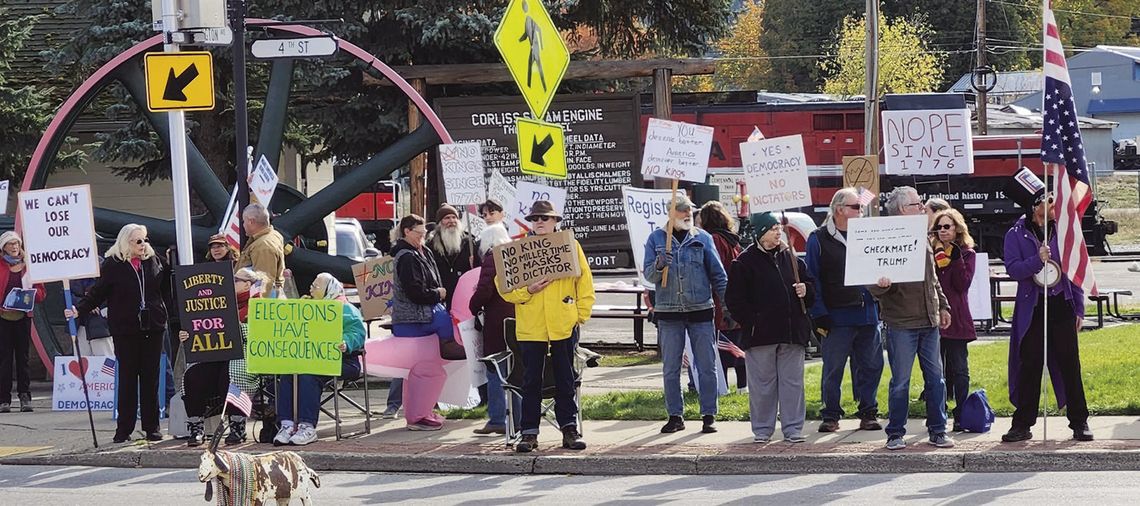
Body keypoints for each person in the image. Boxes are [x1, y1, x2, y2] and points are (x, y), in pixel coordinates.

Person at [1000, 169, 1093, 443]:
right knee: (1029, 363)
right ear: (1034, 207)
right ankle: (1022, 423)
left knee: (1069, 364)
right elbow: (1013, 270)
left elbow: (1073, 271)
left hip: (1060, 304)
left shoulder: (1063, 230)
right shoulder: (1015, 234)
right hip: (1032, 307)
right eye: (1047, 200)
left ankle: (1080, 421)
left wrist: (1078, 307)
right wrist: (1036, 261)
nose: (1053, 203)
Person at [500, 201, 594, 452]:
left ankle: (569, 429)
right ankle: (528, 432)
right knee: (531, 380)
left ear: (555, 221)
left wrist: (579, 315)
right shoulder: (518, 248)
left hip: (563, 325)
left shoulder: (570, 246)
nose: (539, 222)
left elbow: (585, 283)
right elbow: (504, 287)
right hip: (531, 327)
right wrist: (527, 290)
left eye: (545, 218)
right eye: (535, 218)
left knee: (566, 378)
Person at [66, 224, 170, 443]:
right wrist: (78, 309)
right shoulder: (114, 264)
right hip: (125, 327)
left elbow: (167, 289)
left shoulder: (155, 261)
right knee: (128, 378)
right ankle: (124, 428)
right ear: (126, 242)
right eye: (138, 241)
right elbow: (98, 292)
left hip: (153, 325)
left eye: (145, 240)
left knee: (151, 378)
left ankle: (152, 427)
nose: (144, 245)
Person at [870, 186, 954, 451]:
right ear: (902, 210)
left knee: (936, 379)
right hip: (902, 324)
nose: (922, 208)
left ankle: (938, 430)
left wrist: (943, 306)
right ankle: (895, 433)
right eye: (917, 204)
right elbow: (873, 283)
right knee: (901, 382)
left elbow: (933, 280)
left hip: (929, 321)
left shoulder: (924, 238)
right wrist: (881, 284)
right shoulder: (885, 237)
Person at [726, 213, 814, 444]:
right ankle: (763, 430)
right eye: (772, 228)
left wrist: (807, 290)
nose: (778, 232)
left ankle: (793, 428)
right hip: (760, 336)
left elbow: (812, 289)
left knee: (792, 383)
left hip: (791, 332)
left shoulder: (793, 259)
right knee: (763, 385)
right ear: (759, 233)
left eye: (778, 228)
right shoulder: (743, 263)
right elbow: (734, 301)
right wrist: (753, 322)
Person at [644, 195, 727, 435]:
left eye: (689, 210)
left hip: (700, 308)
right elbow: (649, 277)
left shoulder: (703, 238)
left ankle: (709, 414)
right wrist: (660, 265)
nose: (687, 214)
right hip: (669, 312)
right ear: (670, 212)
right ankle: (675, 415)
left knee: (706, 365)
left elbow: (718, 275)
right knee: (671, 367)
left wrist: (728, 305)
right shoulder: (657, 239)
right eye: (681, 210)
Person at [804, 188, 884, 433]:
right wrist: (819, 313)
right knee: (833, 368)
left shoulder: (869, 234)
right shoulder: (818, 238)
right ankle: (831, 415)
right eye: (855, 207)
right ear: (839, 209)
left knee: (871, 366)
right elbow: (812, 278)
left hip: (868, 313)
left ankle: (868, 412)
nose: (861, 211)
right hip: (836, 316)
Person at [390, 214, 465, 430]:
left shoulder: (422, 251)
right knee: (426, 369)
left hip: (427, 312)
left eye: (424, 233)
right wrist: (437, 294)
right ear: (407, 231)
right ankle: (451, 347)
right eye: (419, 233)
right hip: (416, 317)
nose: (423, 236)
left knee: (424, 370)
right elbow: (415, 291)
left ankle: (424, 410)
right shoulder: (406, 256)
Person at [272, 273, 365, 446]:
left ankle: (307, 426)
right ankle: (287, 425)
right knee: (287, 373)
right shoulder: (306, 306)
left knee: (308, 374)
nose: (311, 288)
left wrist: (346, 343)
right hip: (310, 359)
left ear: (329, 289)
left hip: (344, 360)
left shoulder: (345, 308)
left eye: (316, 286)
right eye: (312, 285)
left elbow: (358, 333)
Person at [177, 267, 266, 446]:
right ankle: (196, 426)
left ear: (247, 284)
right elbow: (202, 326)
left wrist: (239, 329)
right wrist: (188, 335)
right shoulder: (218, 302)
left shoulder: (259, 305)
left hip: (246, 356)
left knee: (232, 373)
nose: (230, 283)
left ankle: (237, 426)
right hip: (217, 355)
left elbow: (263, 336)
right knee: (193, 376)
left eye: (235, 280)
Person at [468, 222, 519, 435]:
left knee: (495, 370)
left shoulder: (492, 258)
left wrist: (473, 305)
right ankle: (519, 418)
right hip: (518, 318)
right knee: (517, 370)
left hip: (497, 321)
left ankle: (497, 418)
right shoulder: (515, 255)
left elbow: (485, 290)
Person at [930, 209, 977, 432]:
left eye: (946, 226)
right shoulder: (930, 252)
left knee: (959, 368)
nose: (942, 231)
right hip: (934, 316)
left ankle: (960, 413)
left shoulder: (967, 254)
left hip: (957, 316)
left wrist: (956, 258)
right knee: (935, 370)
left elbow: (962, 285)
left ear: (957, 228)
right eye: (938, 227)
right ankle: (937, 413)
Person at [697, 200, 746, 394]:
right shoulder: (733, 239)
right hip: (736, 296)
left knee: (723, 347)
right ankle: (743, 386)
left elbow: (714, 269)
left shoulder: (714, 239)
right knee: (738, 345)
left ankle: (722, 386)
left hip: (721, 300)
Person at [0, 231, 46, 413]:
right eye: (10, 244)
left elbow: (41, 293)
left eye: (17, 244)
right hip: (3, 317)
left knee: (23, 358)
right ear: (3, 247)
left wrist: (31, 296)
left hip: (23, 318)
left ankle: (25, 396)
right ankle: (4, 399)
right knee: (4, 359)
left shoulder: (29, 267)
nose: (14, 247)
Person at [427, 204, 480, 309]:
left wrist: (474, 264)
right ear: (440, 222)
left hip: (465, 296)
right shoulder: (431, 244)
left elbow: (477, 270)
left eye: (454, 217)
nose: (451, 221)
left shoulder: (468, 242)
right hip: (442, 298)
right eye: (447, 218)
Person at [236, 203, 285, 296]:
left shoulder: (263, 246)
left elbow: (264, 284)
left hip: (257, 303)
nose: (243, 225)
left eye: (244, 221)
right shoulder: (273, 235)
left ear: (251, 221)